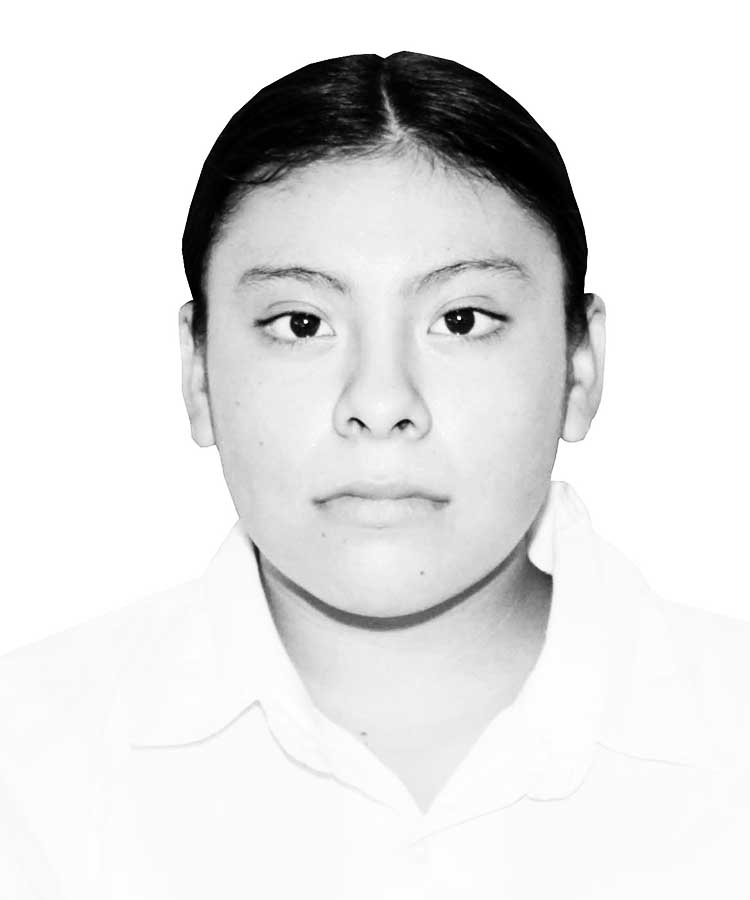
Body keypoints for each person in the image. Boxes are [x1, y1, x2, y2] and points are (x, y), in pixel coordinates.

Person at [1, 50, 749, 899]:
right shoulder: (26, 781)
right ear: (198, 373)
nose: (382, 402)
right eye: (302, 322)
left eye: (461, 320)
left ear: (580, 367)